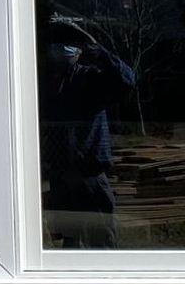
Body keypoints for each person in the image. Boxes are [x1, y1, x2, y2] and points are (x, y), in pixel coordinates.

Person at [38, 18, 136, 248]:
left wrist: (96, 49)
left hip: (89, 175)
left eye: (68, 43)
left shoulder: (89, 79)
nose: (61, 49)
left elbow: (127, 80)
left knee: (101, 244)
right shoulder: (43, 84)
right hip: (60, 176)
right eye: (57, 43)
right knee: (69, 245)